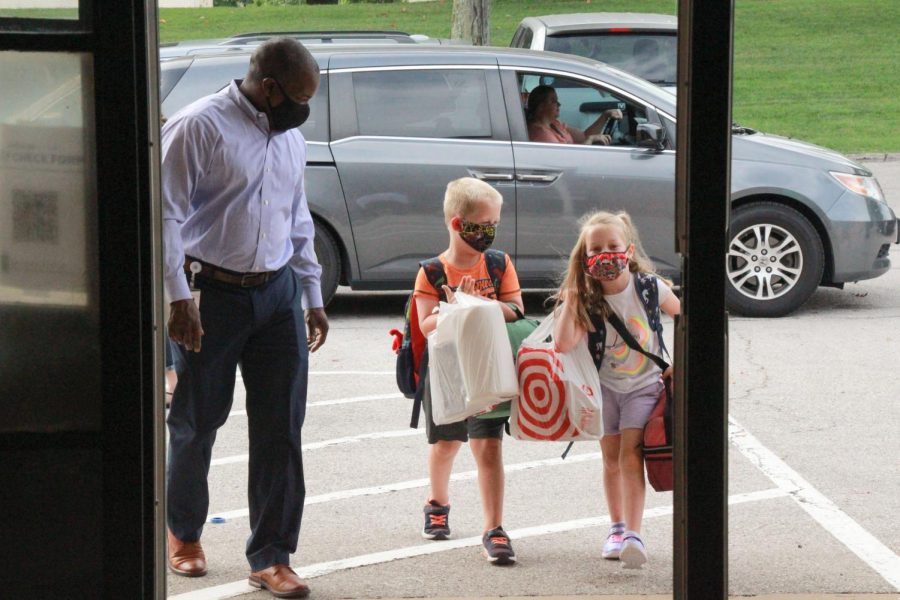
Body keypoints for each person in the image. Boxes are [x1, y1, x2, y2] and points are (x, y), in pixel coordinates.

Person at [161, 37, 328, 598]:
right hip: (211, 294)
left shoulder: (290, 138)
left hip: (277, 293)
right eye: (299, 96)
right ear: (269, 88)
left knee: (282, 426)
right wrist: (178, 297)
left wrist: (312, 293)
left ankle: (272, 556)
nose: (304, 109)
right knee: (198, 420)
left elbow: (296, 215)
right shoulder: (198, 126)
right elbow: (165, 216)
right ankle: (183, 532)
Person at [552, 211, 680, 569]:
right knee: (610, 460)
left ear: (629, 250)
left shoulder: (650, 288)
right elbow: (562, 343)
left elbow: (682, 316)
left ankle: (634, 535)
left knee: (630, 456)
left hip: (644, 388)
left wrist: (676, 364)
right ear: (585, 258)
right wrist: (573, 296)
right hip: (604, 390)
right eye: (596, 249)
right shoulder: (588, 299)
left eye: (613, 247)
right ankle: (617, 528)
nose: (605, 254)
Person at [414, 177, 524, 565]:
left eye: (494, 223)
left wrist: (478, 305)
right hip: (448, 373)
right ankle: (437, 501)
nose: (489, 232)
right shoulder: (431, 272)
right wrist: (452, 309)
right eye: (482, 225)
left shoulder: (498, 264)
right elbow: (424, 323)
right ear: (457, 224)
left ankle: (494, 528)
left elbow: (516, 309)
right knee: (446, 443)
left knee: (489, 447)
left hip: (488, 369)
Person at [526, 84, 622, 145]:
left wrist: (605, 116)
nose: (559, 104)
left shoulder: (555, 124)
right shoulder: (541, 134)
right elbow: (567, 159)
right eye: (553, 101)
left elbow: (584, 136)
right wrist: (590, 140)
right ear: (541, 106)